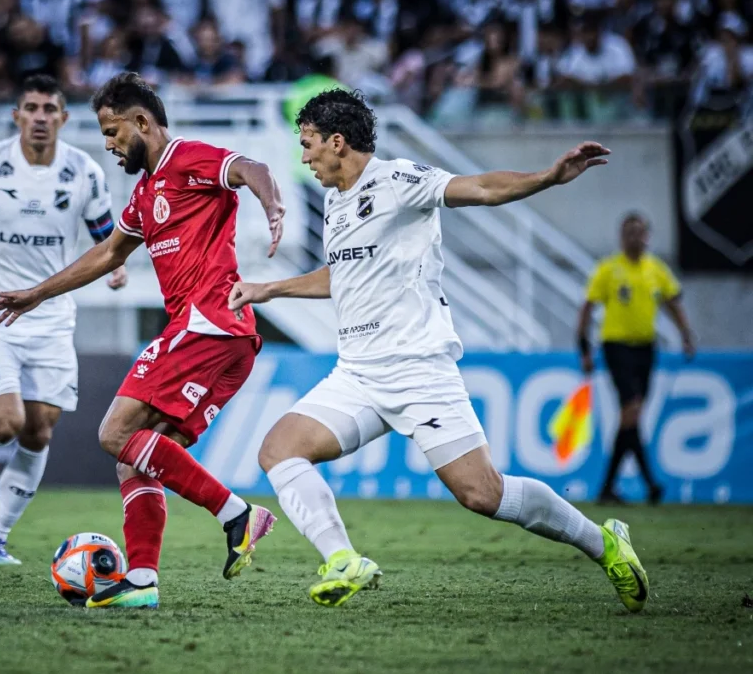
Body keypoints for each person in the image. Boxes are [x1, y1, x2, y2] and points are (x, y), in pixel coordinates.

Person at [229, 89, 649, 613]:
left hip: (418, 368)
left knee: (482, 494)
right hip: (358, 373)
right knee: (278, 449)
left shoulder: (400, 181)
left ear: (338, 142)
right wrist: (269, 289)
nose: (304, 155)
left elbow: (482, 188)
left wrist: (546, 177)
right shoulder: (336, 202)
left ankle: (603, 540)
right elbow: (343, 276)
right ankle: (342, 560)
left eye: (309, 143)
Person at [0, 72, 285, 609]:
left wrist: (273, 204)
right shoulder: (146, 193)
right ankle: (142, 583)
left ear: (142, 121)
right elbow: (106, 254)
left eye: (113, 130)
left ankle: (237, 514)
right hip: (219, 339)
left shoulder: (189, 158)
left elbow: (250, 168)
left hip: (208, 323)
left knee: (114, 431)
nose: (108, 143)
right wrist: (37, 293)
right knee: (133, 460)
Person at [0, 75, 128, 565]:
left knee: (39, 431)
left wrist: (117, 267)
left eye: (49, 109)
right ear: (17, 115)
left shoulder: (85, 171)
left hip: (53, 315)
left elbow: (107, 235)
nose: (40, 117)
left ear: (62, 118)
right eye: (31, 108)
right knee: (6, 421)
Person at [578, 213, 695, 505]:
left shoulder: (656, 270)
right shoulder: (608, 269)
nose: (634, 238)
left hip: (646, 348)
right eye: (629, 232)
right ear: (621, 237)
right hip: (616, 346)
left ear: (647, 237)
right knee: (631, 410)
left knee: (632, 417)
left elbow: (673, 303)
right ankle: (649, 482)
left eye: (639, 232)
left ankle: (610, 488)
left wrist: (686, 334)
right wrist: (584, 348)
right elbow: (587, 309)